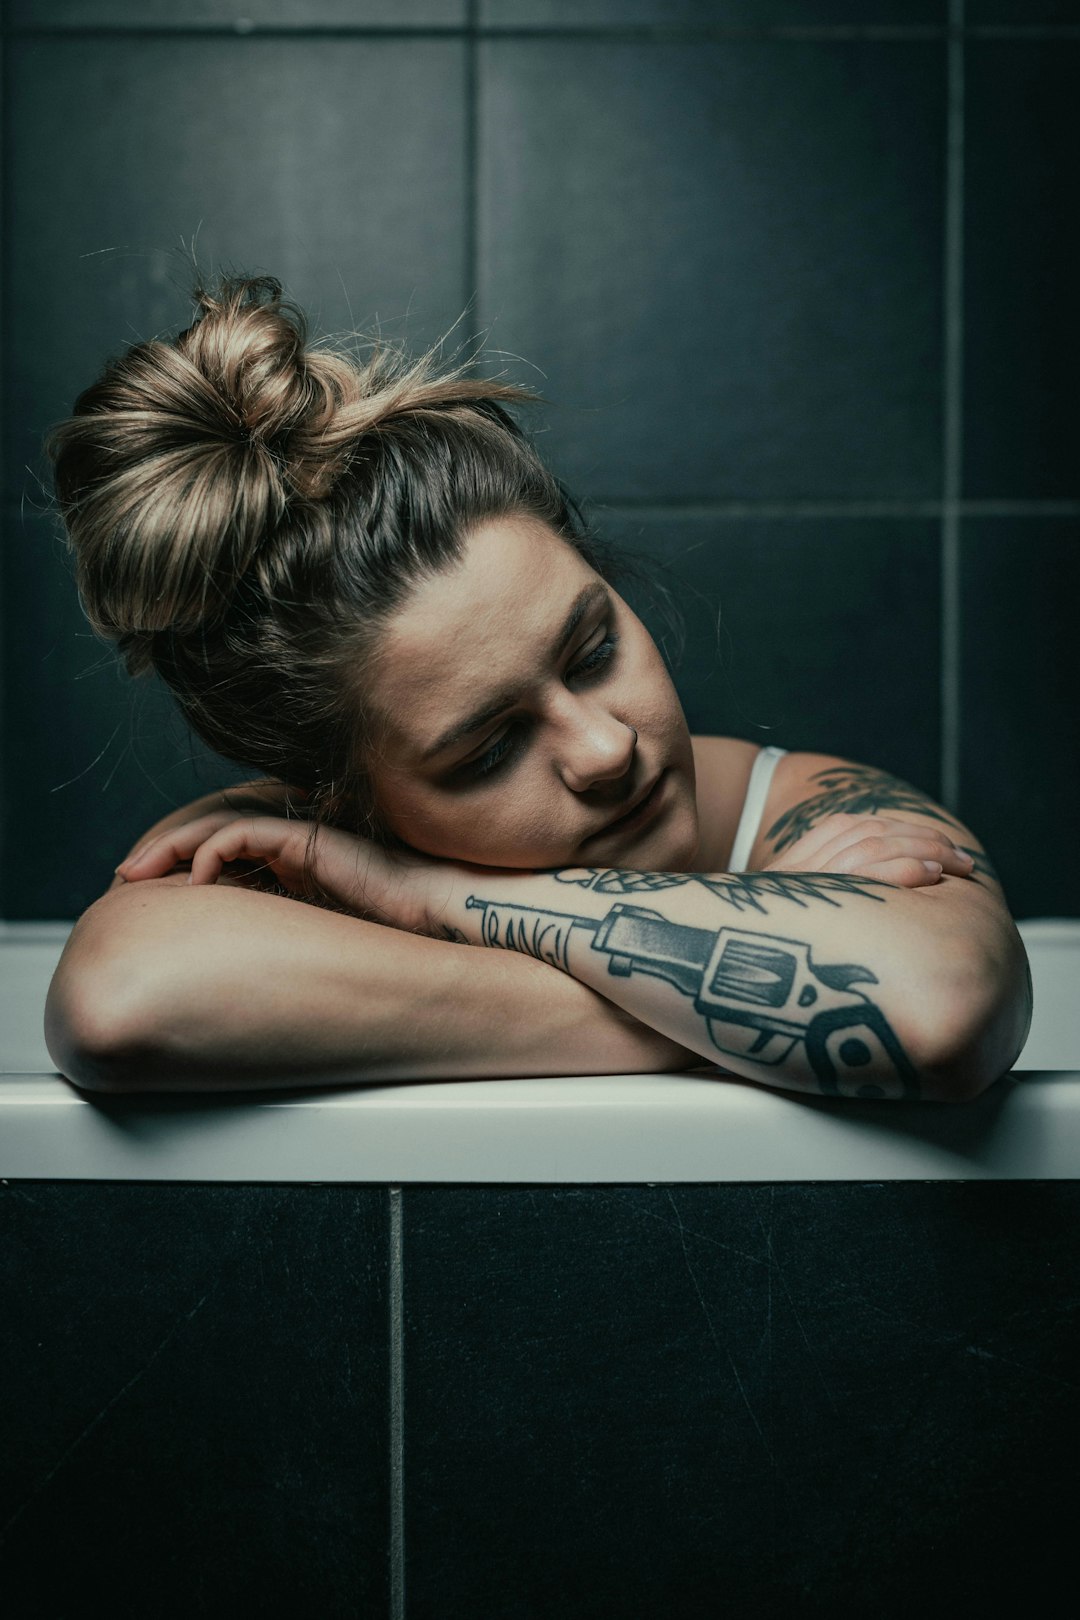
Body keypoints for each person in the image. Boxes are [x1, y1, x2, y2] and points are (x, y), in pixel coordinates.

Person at [42, 275, 1031, 1101]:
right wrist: (731, 1012)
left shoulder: (810, 809)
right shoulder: (303, 845)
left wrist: (434, 894)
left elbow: (937, 1008)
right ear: (343, 803)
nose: (606, 750)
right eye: (488, 750)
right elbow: (118, 999)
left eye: (594, 652)